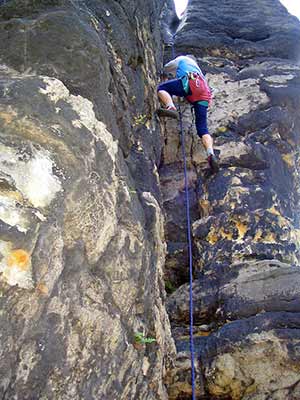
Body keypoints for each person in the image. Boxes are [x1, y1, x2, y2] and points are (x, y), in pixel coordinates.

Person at [157, 55, 219, 173]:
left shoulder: (182, 59)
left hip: (190, 83)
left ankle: (170, 107)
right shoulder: (199, 71)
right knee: (202, 129)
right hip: (204, 94)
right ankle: (210, 152)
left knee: (162, 88)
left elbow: (166, 67)